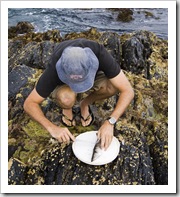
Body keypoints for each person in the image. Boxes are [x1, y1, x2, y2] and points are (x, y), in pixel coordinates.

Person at [24, 38, 134, 150]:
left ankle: (84, 104)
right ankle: (66, 107)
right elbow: (29, 103)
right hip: (64, 84)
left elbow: (128, 90)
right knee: (66, 99)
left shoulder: (99, 53)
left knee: (113, 86)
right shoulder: (54, 68)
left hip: (94, 75)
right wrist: (52, 128)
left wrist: (110, 122)